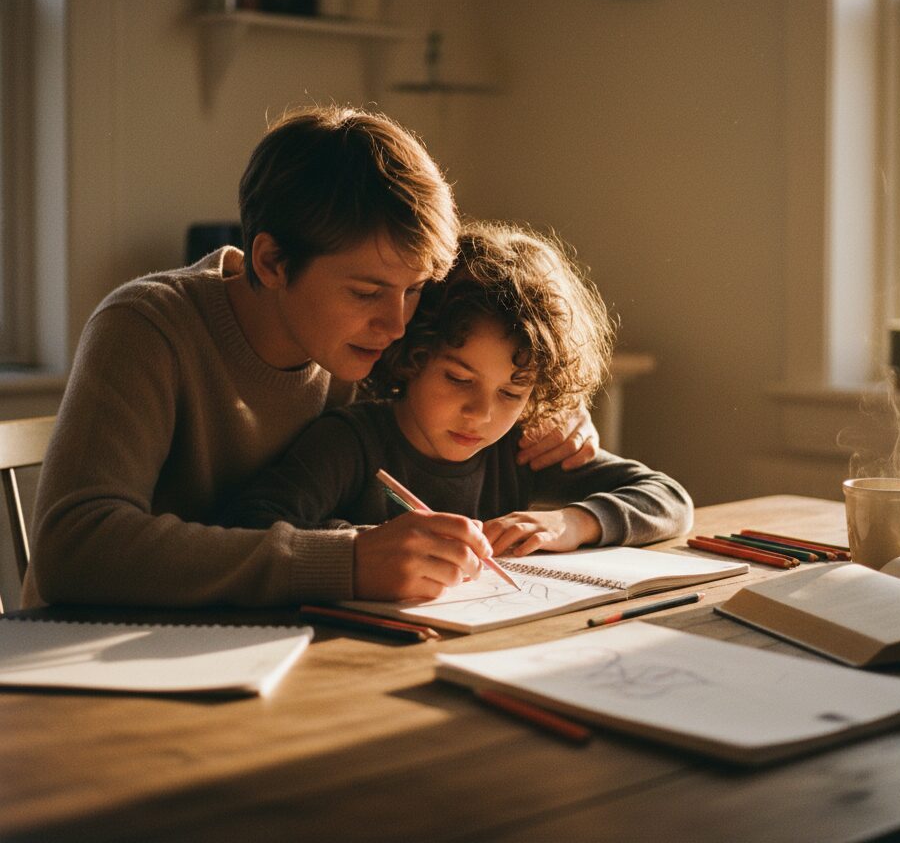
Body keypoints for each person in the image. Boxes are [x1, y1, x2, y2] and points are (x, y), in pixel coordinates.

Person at [25, 106, 598, 609]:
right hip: (92, 655)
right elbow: (74, 548)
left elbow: (479, 347)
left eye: (415, 289)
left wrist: (551, 412)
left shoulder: (376, 339)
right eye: (366, 292)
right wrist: (344, 561)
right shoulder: (147, 328)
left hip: (272, 636)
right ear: (272, 263)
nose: (398, 324)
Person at [219, 221, 693, 601]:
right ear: (411, 355)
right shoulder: (351, 443)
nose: (481, 414)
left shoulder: (519, 448)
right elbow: (247, 524)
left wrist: (572, 522)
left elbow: (668, 498)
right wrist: (362, 544)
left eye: (511, 392)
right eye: (459, 379)